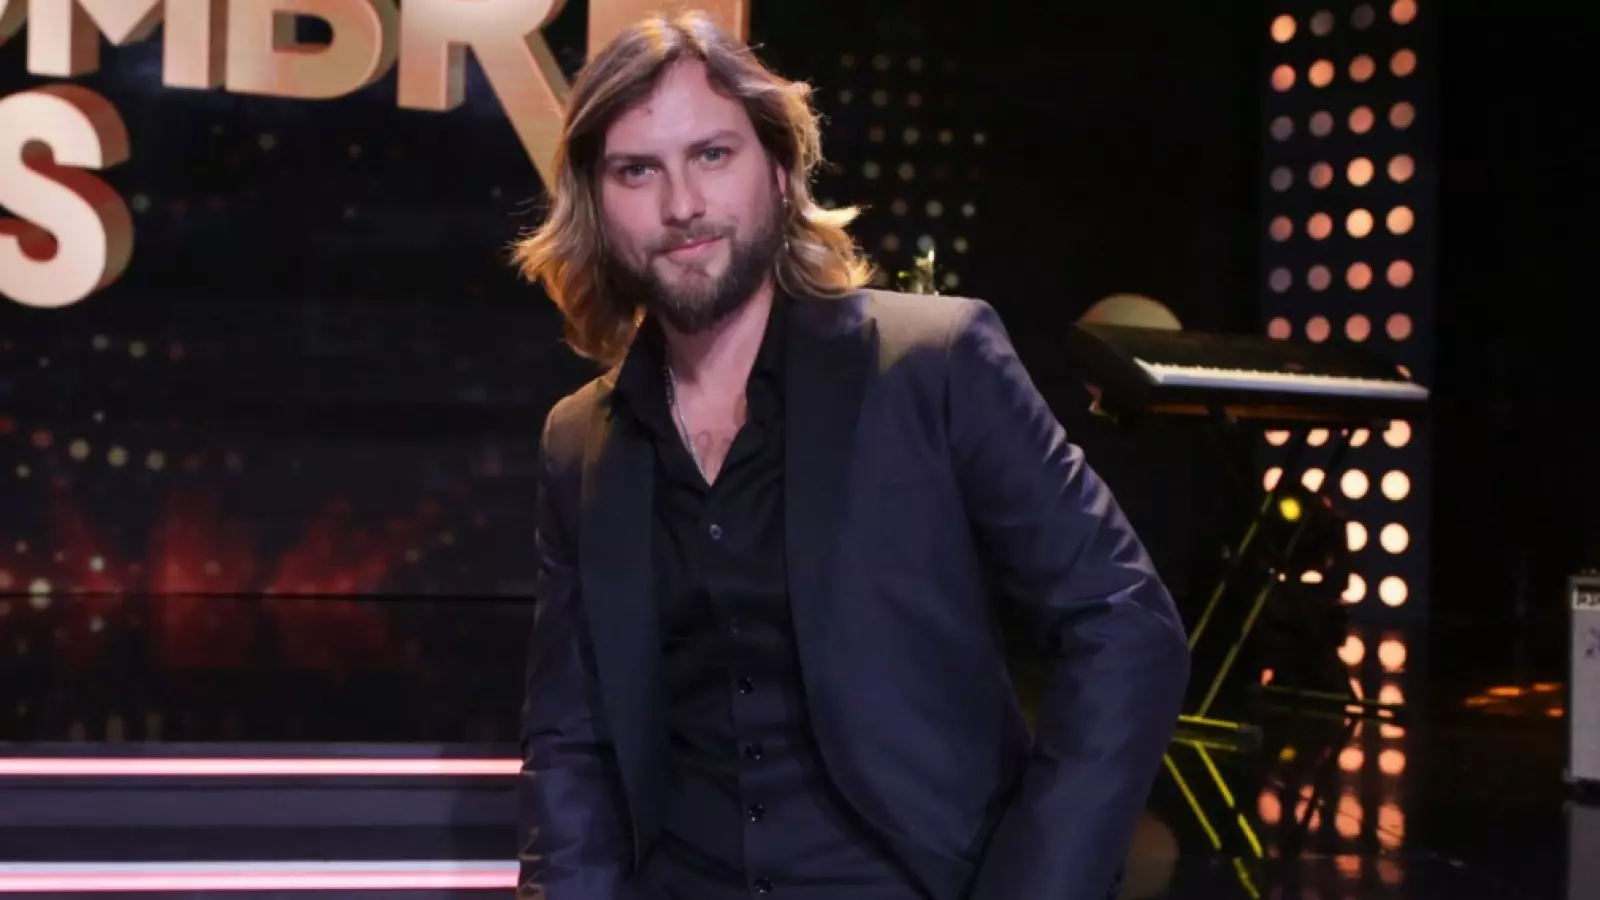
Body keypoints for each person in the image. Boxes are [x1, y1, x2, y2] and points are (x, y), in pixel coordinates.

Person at [510, 11, 1190, 900]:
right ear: (597, 207)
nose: (682, 204)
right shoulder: (580, 440)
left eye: (712, 154)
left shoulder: (935, 364)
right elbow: (572, 737)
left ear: (779, 170)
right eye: (638, 170)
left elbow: (1123, 624)